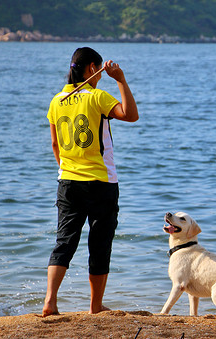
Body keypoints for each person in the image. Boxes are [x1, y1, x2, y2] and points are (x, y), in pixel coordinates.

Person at [43, 47, 138, 317]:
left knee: (64, 242)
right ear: (91, 69)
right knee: (99, 243)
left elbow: (55, 144)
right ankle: (95, 306)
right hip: (101, 183)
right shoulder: (97, 97)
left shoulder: (57, 100)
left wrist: (68, 169)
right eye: (98, 70)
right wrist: (120, 79)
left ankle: (50, 301)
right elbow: (131, 115)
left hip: (68, 181)